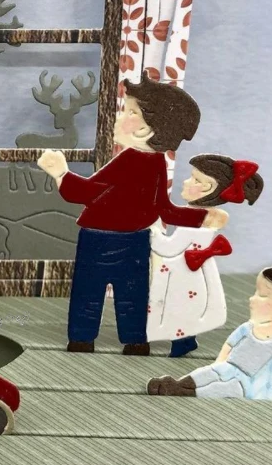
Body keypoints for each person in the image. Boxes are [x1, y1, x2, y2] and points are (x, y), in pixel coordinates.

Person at [38, 75, 227, 356]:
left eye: (130, 112)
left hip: (99, 240)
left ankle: (82, 338)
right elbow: (164, 209)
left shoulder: (131, 160)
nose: (120, 117)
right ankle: (135, 340)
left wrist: (60, 173)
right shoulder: (155, 162)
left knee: (89, 292)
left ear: (147, 128)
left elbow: (85, 193)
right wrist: (202, 218)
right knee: (133, 295)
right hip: (135, 242)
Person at [147, 261, 272, 399]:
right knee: (206, 373)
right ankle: (179, 383)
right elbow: (229, 347)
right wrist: (218, 365)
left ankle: (182, 392)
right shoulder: (248, 328)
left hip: (254, 384)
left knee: (226, 389)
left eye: (262, 295)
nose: (252, 299)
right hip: (229, 368)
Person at [148, 155, 264, 357]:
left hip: (184, 272)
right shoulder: (198, 216)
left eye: (194, 179)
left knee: (179, 304)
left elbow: (169, 246)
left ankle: (182, 341)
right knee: (185, 304)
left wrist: (152, 233)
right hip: (190, 270)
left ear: (207, 188)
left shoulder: (196, 219)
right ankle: (185, 340)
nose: (186, 181)